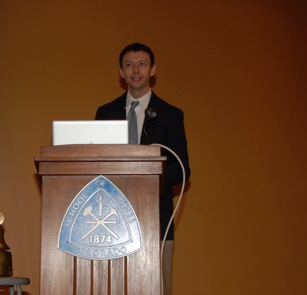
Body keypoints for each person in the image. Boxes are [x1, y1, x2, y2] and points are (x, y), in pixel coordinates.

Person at [95, 42, 191, 294]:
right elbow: (95, 165)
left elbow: (182, 170)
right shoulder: (105, 113)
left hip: (155, 217)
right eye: (129, 65)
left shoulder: (171, 115)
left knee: (156, 286)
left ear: (152, 70)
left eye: (142, 64)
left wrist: (145, 177)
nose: (135, 70)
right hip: (109, 220)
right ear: (120, 72)